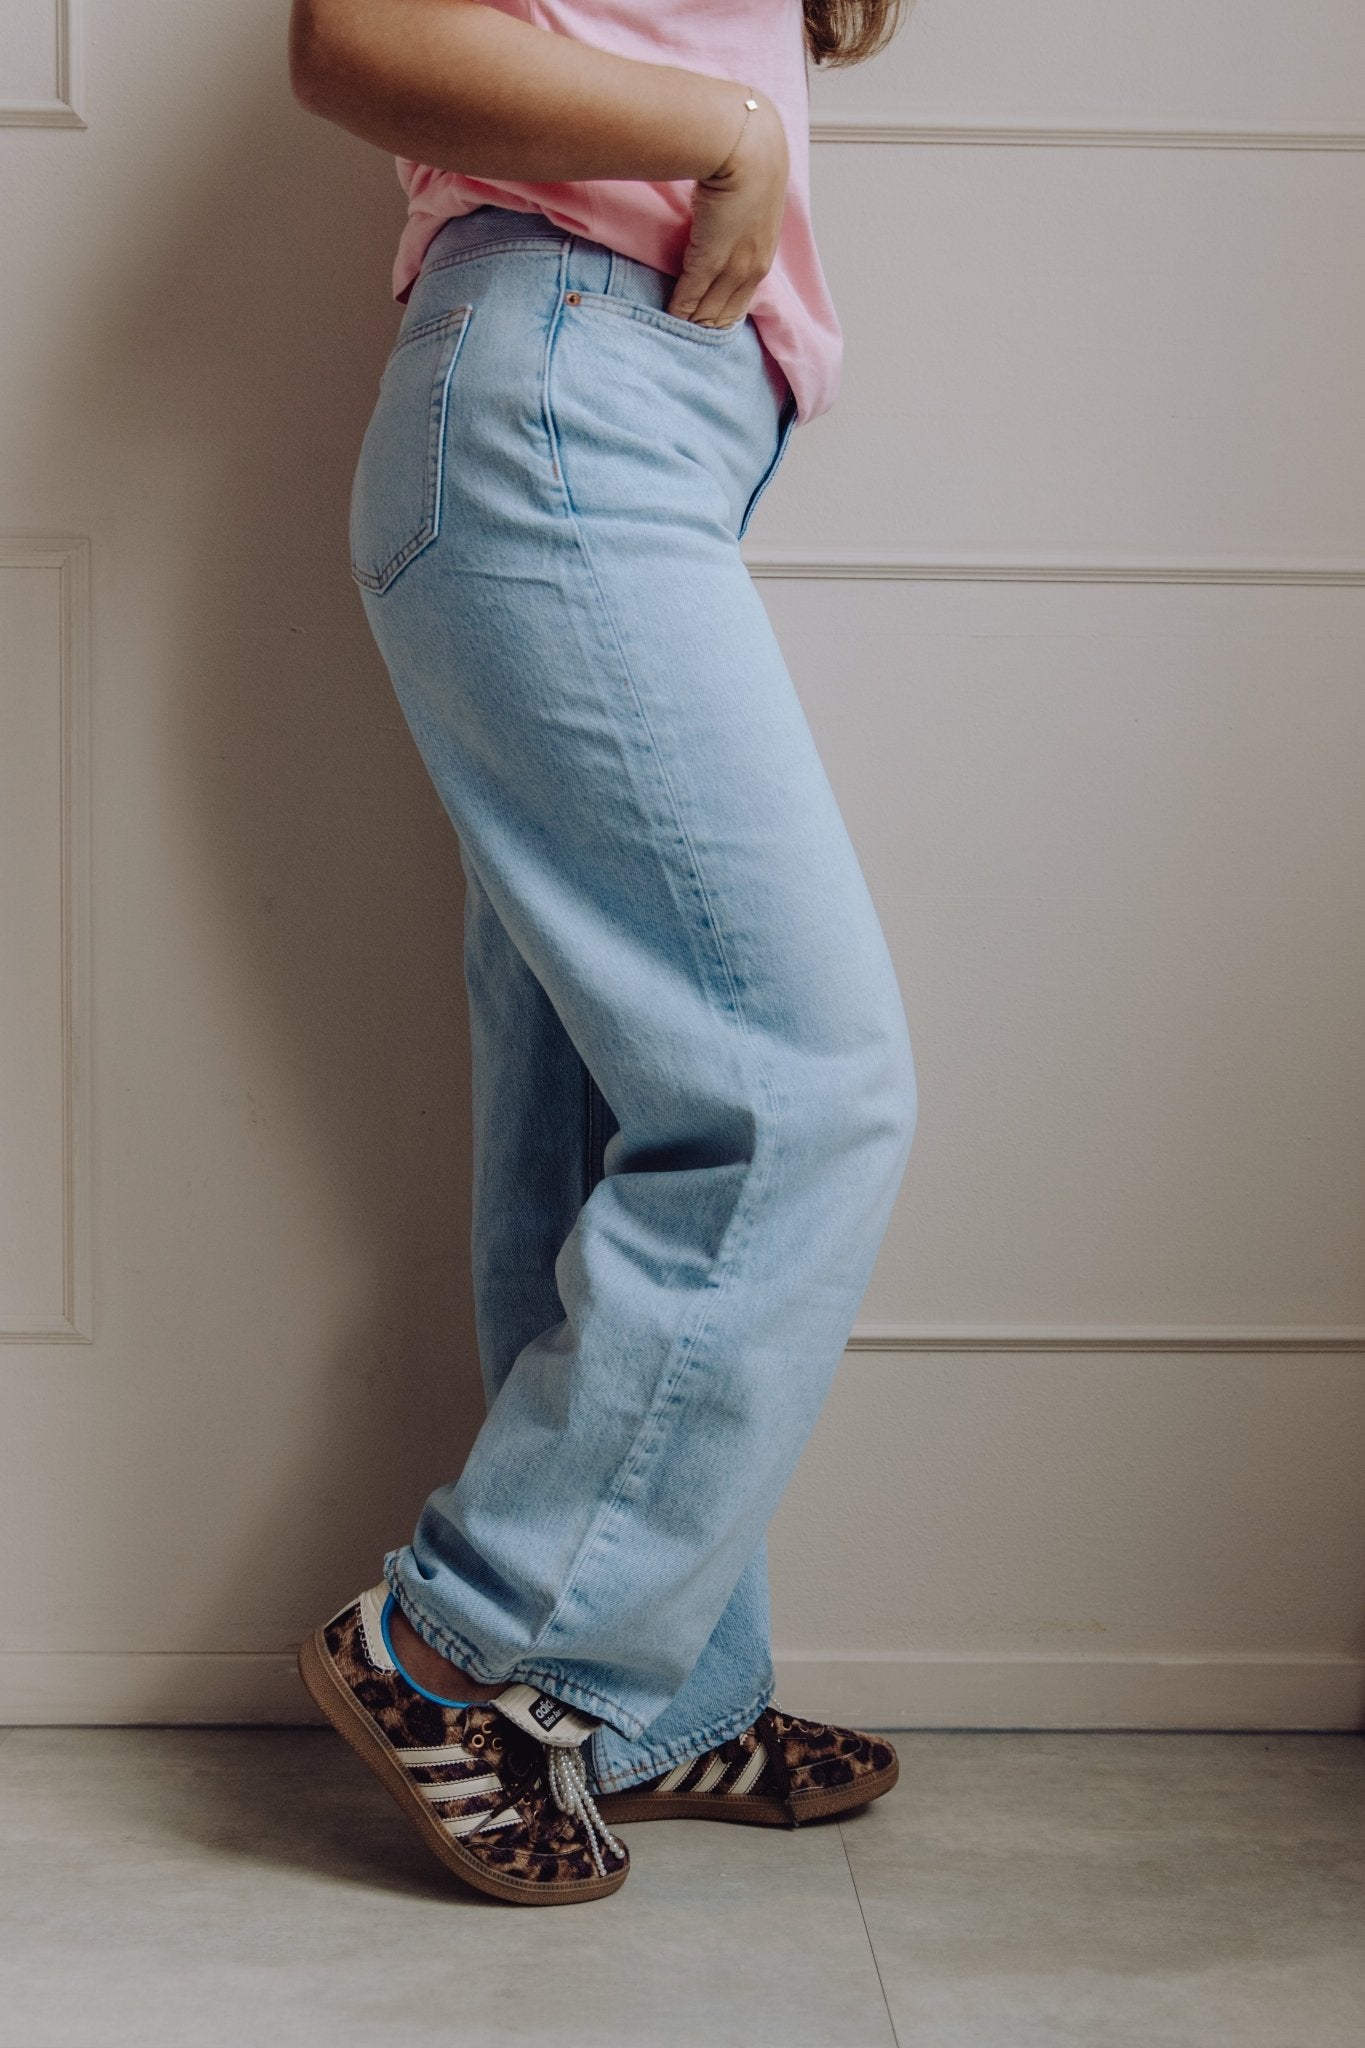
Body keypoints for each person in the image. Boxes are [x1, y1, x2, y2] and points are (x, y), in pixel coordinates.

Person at [288, 0, 916, 1906]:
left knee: (595, 1109)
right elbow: (353, 34)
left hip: (602, 415)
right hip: (566, 395)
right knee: (798, 1093)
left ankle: (640, 1705)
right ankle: (460, 1646)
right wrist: (727, 133)